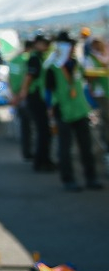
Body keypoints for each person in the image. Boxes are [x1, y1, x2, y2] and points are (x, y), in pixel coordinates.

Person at [46, 33, 102, 191]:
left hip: (80, 109)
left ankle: (91, 178)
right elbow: (48, 91)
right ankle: (68, 179)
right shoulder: (52, 67)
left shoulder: (76, 63)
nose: (71, 49)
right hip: (63, 111)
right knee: (65, 147)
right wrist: (50, 109)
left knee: (86, 146)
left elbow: (84, 83)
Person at [19, 32, 56, 173]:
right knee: (43, 131)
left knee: (44, 131)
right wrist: (23, 92)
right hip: (35, 97)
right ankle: (41, 161)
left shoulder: (41, 57)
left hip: (39, 97)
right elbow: (29, 77)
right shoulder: (35, 58)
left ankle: (44, 160)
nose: (46, 46)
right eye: (44, 43)